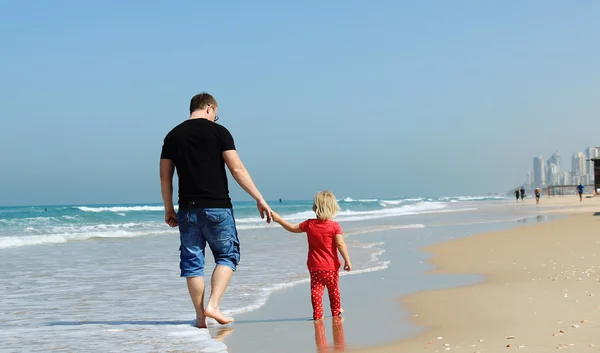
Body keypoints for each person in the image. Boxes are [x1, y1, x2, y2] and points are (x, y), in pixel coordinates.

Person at [160, 92, 273, 327]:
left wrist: (169, 208)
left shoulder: (172, 136)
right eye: (216, 115)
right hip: (217, 208)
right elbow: (237, 169)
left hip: (187, 210)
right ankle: (213, 304)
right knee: (227, 256)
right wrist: (259, 198)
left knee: (193, 264)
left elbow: (165, 178)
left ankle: (201, 318)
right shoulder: (219, 132)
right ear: (210, 108)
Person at [271, 190, 351, 320]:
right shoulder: (335, 226)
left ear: (315, 207)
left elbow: (291, 228)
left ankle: (318, 314)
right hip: (331, 267)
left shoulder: (309, 224)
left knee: (316, 291)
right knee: (333, 290)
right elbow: (340, 244)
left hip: (315, 267)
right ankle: (336, 311)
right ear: (333, 208)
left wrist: (278, 219)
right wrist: (347, 260)